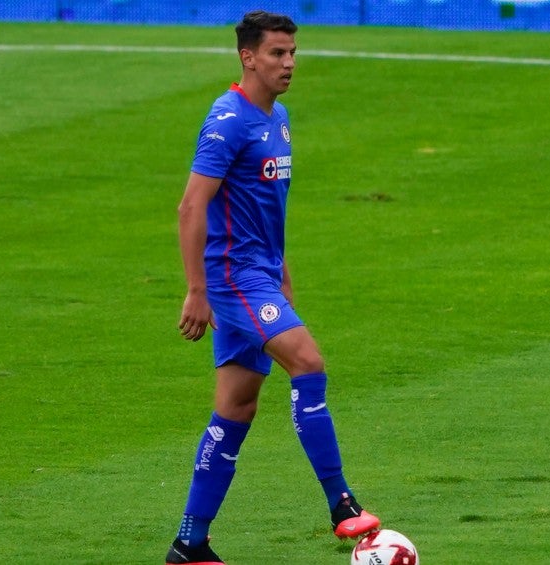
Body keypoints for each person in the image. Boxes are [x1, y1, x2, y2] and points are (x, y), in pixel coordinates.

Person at [165, 10, 381, 565]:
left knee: (235, 408)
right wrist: (197, 290)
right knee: (308, 362)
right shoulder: (228, 119)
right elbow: (192, 204)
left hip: (259, 273)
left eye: (292, 53)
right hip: (232, 280)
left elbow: (265, 203)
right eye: (277, 54)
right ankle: (340, 503)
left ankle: (191, 542)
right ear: (248, 57)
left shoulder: (278, 117)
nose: (288, 63)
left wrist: (281, 267)